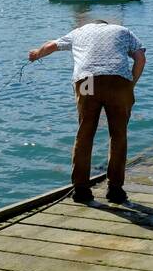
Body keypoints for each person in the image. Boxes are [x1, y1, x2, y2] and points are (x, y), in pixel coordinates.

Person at [30, 19, 146, 204]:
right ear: (106, 25)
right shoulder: (123, 30)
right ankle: (115, 189)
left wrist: (36, 54)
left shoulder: (79, 32)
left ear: (92, 25)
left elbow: (52, 45)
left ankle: (81, 189)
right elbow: (140, 57)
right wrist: (130, 85)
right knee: (118, 135)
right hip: (118, 81)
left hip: (87, 81)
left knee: (85, 133)